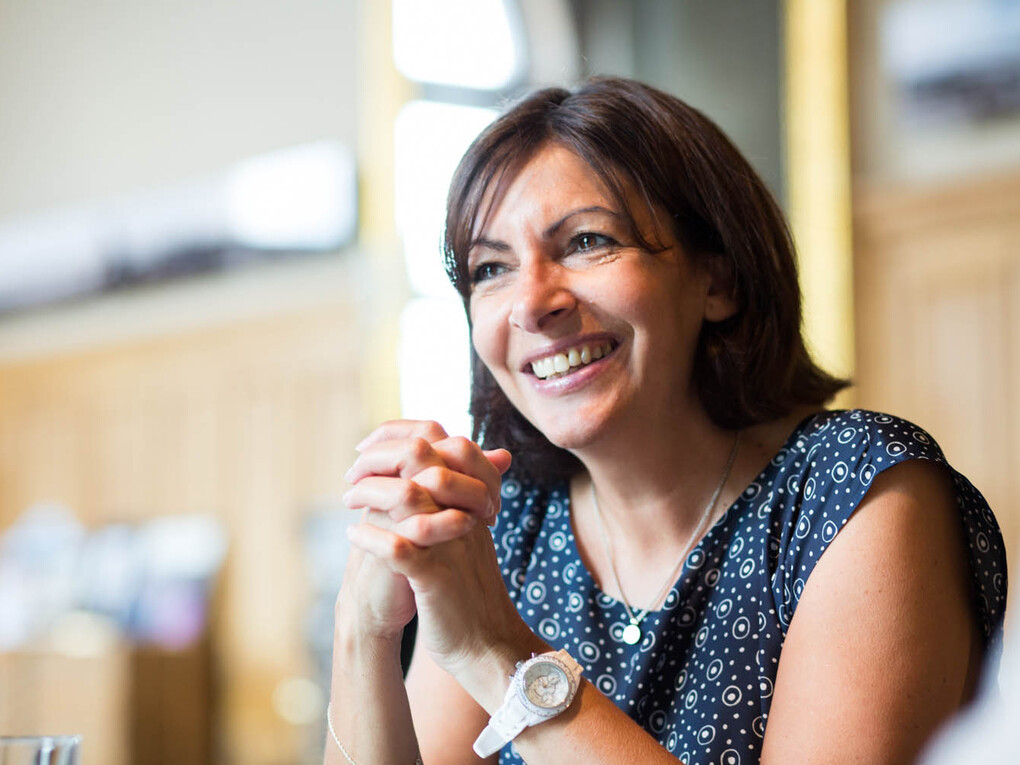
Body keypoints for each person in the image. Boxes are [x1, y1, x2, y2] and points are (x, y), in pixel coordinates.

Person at [324, 77, 1008, 764]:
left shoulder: (858, 492)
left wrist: (498, 654)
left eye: (588, 241)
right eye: (491, 268)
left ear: (718, 280)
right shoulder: (511, 522)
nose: (530, 304)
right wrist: (364, 627)